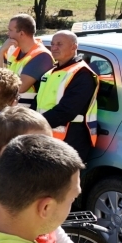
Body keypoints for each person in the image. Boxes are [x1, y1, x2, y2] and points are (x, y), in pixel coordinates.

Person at [36, 30, 99, 162]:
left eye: (59, 44)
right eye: (52, 44)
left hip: (71, 141)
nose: (54, 48)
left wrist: (35, 124)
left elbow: (67, 111)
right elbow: (38, 102)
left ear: (74, 47)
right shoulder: (51, 72)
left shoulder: (82, 73)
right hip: (49, 138)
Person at [0, 14, 54, 109]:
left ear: (22, 33)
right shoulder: (12, 49)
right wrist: (1, 51)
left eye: (10, 30)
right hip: (11, 110)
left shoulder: (41, 56)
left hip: (26, 113)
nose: (8, 34)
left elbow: (20, 87)